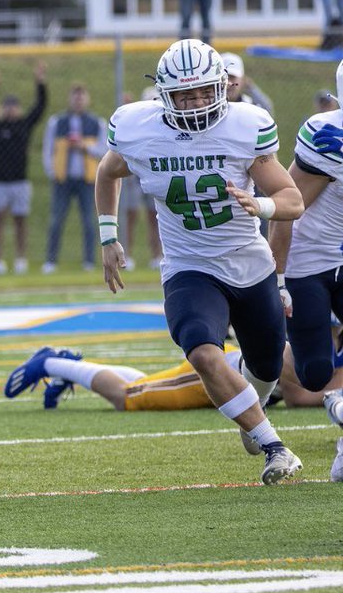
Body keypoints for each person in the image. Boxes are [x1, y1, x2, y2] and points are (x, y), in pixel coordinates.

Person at [89, 38, 305, 485]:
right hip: (189, 266)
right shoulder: (139, 128)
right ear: (164, 94)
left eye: (206, 91)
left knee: (266, 366)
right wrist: (108, 236)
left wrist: (259, 205)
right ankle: (273, 445)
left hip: (249, 264)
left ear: (222, 87)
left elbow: (292, 199)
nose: (197, 102)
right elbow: (108, 172)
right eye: (186, 94)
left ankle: (254, 407)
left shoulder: (244, 127)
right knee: (204, 352)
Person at [268, 60, 343, 402]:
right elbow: (286, 210)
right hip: (311, 261)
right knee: (313, 374)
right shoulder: (330, 139)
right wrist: (278, 277)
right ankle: (251, 361)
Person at [6, 340, 343, 414]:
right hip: (217, 374)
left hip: (227, 367)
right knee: (130, 398)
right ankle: (51, 364)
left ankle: (71, 365)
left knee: (147, 383)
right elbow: (296, 395)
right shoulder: (322, 332)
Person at [0, 63, 48, 274]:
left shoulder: (23, 125)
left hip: (19, 181)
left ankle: (21, 259)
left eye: (14, 105)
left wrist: (40, 82)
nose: (10, 109)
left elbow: (39, 108)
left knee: (21, 221)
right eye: (7, 105)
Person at [41, 84, 107, 274]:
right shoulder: (56, 122)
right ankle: (50, 261)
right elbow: (48, 150)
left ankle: (89, 261)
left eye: (81, 96)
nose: (78, 100)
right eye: (75, 96)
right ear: (70, 99)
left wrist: (84, 147)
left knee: (88, 221)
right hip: (63, 179)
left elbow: (104, 149)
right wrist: (52, 172)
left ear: (87, 99)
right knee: (56, 220)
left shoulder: (97, 123)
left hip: (87, 180)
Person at [115, 89, 162, 271]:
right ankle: (127, 255)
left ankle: (157, 255)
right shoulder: (139, 124)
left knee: (155, 217)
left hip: (155, 175)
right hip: (135, 177)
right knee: (130, 216)